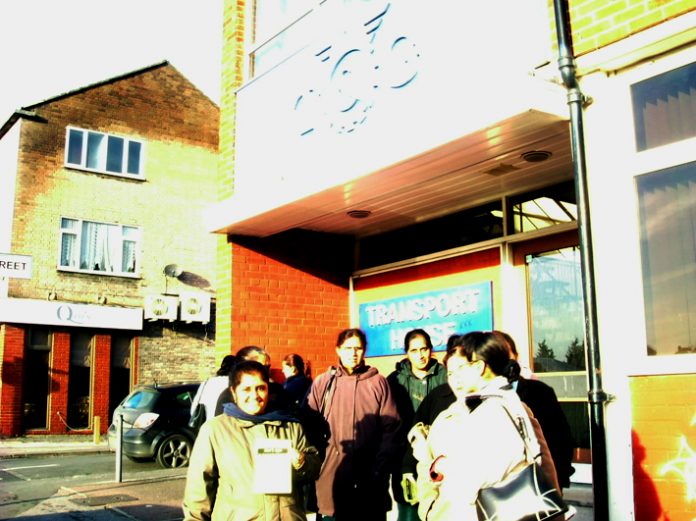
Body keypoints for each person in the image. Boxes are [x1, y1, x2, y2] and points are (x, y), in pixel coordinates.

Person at [411, 331, 558, 520]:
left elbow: (475, 477)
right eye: (451, 372)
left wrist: (443, 468)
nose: (456, 377)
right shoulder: (495, 403)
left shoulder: (495, 407)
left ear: (479, 367)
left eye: (463, 367)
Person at [182, 360, 321, 520]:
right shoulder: (215, 430)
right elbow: (198, 490)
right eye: (246, 389)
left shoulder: (289, 426)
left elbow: (314, 470)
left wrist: (302, 462)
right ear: (234, 392)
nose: (255, 395)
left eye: (260, 388)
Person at [304, 328, 401, 521]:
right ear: (338, 350)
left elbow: (392, 429)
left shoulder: (378, 383)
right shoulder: (323, 383)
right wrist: (318, 462)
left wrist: (379, 467)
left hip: (370, 482)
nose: (353, 353)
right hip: (330, 478)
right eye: (348, 348)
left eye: (358, 348)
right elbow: (308, 425)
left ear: (364, 351)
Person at [493, 330, 576, 489]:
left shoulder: (541, 393)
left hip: (540, 485)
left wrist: (557, 479)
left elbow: (561, 440)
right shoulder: (478, 399)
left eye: (506, 354)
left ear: (515, 356)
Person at [387, 329, 447, 521]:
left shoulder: (445, 376)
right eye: (414, 350)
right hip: (404, 457)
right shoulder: (395, 380)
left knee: (438, 509)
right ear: (407, 353)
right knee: (408, 510)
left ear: (430, 349)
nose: (420, 355)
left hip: (437, 457)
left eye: (424, 349)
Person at [215, 345, 289, 415]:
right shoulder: (227, 397)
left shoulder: (277, 391)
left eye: (268, 367)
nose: (267, 372)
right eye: (262, 367)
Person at [190, 354, 236, 420]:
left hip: (208, 425)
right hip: (227, 426)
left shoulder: (206, 382)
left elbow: (194, 409)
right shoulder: (235, 384)